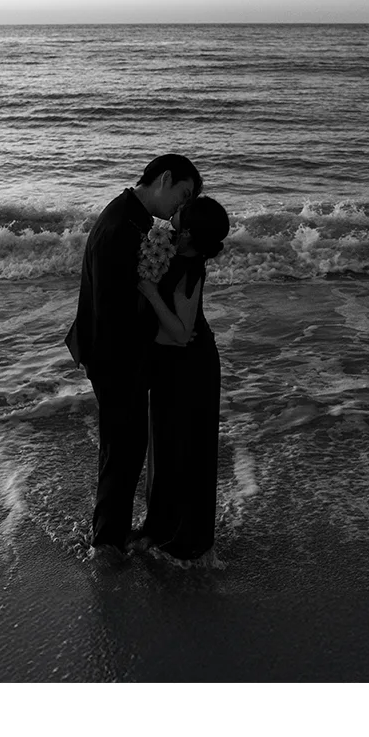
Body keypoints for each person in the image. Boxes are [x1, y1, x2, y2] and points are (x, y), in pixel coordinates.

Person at [66, 154, 202, 556]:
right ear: (165, 178)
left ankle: (110, 534)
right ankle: (107, 544)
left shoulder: (132, 217)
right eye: (183, 194)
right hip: (115, 357)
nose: (181, 206)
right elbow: (113, 311)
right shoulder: (120, 227)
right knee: (123, 449)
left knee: (124, 447)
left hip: (116, 353)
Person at [135, 195, 230, 562]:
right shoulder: (175, 252)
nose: (173, 212)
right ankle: (160, 528)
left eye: (180, 212)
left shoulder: (190, 268)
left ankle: (180, 537)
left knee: (183, 448)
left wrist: (149, 293)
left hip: (190, 367)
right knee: (166, 444)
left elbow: (180, 331)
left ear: (188, 231)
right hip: (174, 362)